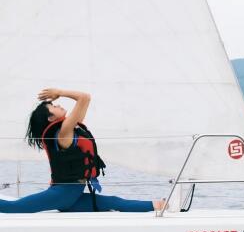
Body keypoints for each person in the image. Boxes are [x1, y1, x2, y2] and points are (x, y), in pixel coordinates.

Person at [0, 88, 165, 214]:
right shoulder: (63, 132)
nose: (58, 104)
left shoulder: (69, 128)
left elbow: (85, 99)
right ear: (51, 118)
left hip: (72, 196)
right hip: (61, 194)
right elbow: (84, 97)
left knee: (114, 202)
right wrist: (59, 92)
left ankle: (159, 205)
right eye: (53, 106)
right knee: (13, 207)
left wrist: (59, 94)